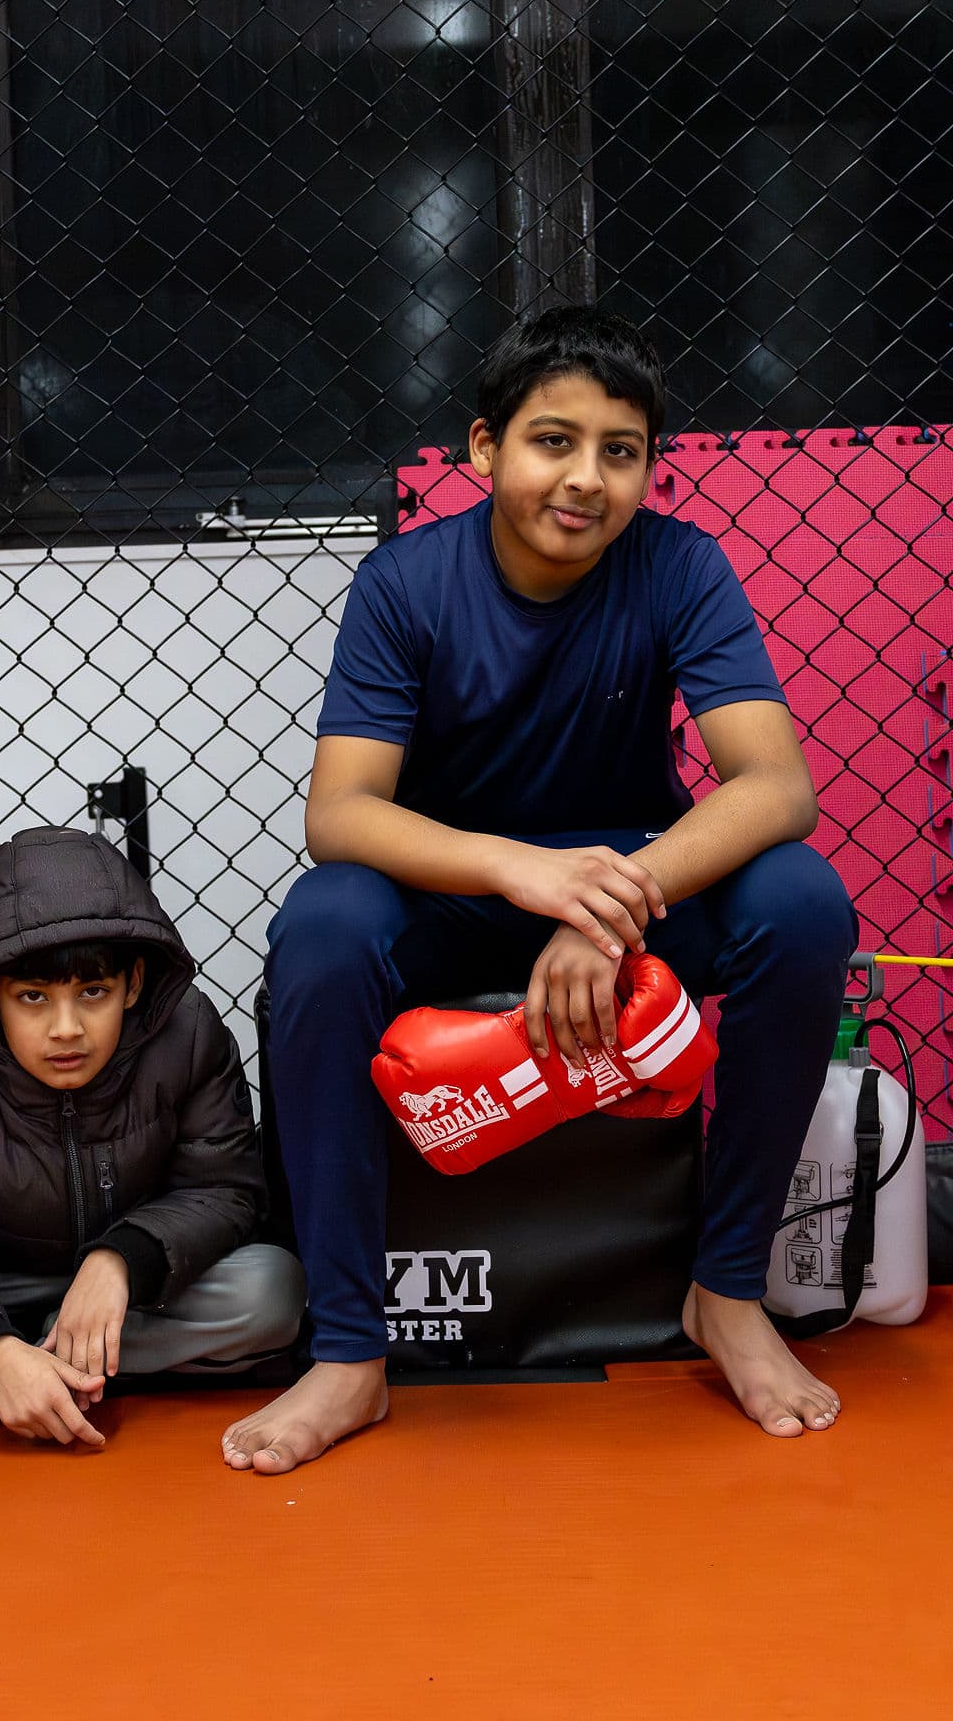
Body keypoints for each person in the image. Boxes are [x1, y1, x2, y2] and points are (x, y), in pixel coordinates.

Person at [222, 306, 857, 1476]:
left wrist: (609, 903)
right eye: (551, 441)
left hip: (626, 874)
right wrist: (527, 876)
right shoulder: (406, 581)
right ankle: (350, 1353)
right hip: (467, 883)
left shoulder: (679, 566)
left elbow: (773, 786)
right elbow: (342, 813)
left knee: (801, 902)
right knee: (323, 925)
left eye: (619, 451)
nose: (584, 478)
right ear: (482, 451)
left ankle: (724, 1293)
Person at [0, 825, 305, 1447]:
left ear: (134, 984)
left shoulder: (189, 1031)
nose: (66, 1029)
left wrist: (118, 1260)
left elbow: (225, 1190)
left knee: (272, 1290)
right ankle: (45, 1380)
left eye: (93, 992)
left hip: (139, 1294)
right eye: (33, 998)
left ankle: (47, 1385)